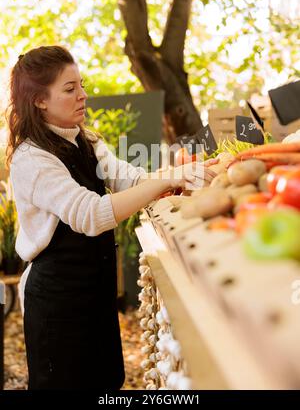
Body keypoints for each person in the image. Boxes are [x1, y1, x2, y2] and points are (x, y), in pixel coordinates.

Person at [7, 45, 217, 390]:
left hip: (95, 292)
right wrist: (167, 180)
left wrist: (186, 173)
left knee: (106, 382)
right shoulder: (30, 157)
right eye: (70, 89)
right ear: (39, 100)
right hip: (57, 302)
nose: (83, 96)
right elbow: (91, 214)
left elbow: (130, 179)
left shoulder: (86, 140)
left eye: (82, 85)